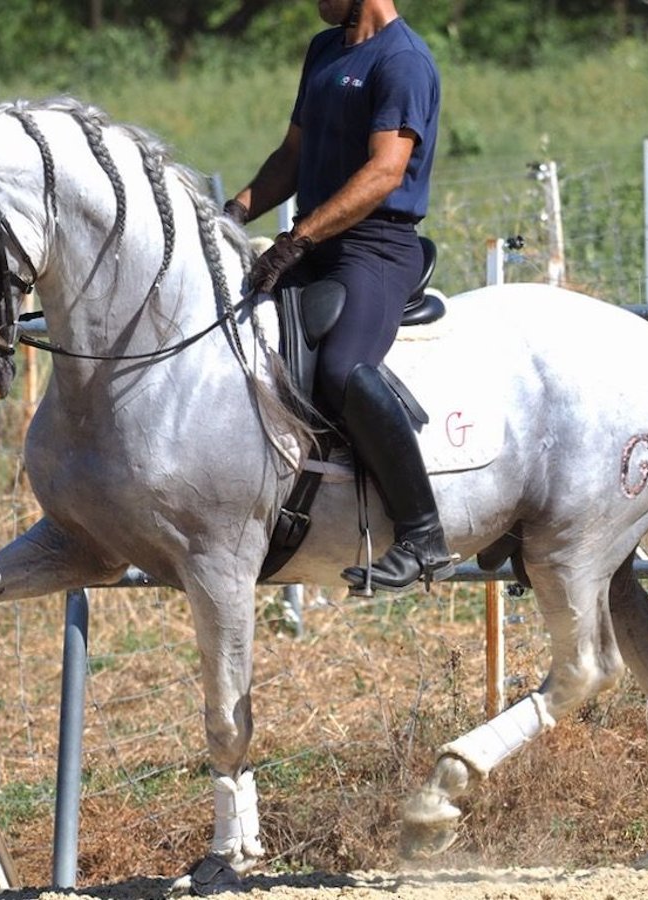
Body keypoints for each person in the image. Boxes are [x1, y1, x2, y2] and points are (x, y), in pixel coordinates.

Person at [224, 0, 451, 593]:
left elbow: (384, 173)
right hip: (316, 238)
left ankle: (423, 535)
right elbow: (292, 156)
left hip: (375, 248)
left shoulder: (403, 62)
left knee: (344, 369)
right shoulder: (325, 50)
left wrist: (296, 239)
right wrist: (232, 213)